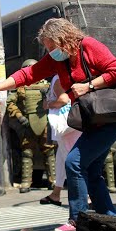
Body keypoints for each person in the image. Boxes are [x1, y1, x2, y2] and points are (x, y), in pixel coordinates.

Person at [0, 17, 116, 231]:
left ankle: (77, 221)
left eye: (51, 47)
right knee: (91, 170)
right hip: (92, 121)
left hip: (110, 119)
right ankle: (111, 220)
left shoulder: (89, 46)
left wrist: (88, 86)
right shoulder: (58, 59)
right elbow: (28, 74)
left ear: (63, 38)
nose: (50, 52)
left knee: (74, 163)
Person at [6, 59, 56, 193]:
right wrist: (20, 117)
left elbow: (57, 99)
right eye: (27, 68)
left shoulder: (46, 85)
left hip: (45, 122)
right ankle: (26, 183)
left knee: (50, 152)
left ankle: (54, 182)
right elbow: (11, 104)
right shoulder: (19, 86)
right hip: (27, 124)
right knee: (27, 153)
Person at [40, 74, 82, 206]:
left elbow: (63, 99)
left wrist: (48, 104)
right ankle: (56, 193)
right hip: (73, 124)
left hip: (66, 126)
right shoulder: (70, 75)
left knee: (72, 161)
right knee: (61, 159)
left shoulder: (58, 78)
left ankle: (85, 197)